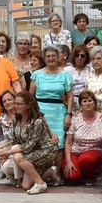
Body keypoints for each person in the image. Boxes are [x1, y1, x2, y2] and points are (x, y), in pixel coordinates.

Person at [30, 45, 72, 174]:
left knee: (58, 144)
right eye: (48, 56)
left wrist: (69, 115)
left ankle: (57, 174)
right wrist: (33, 115)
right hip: (41, 113)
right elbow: (30, 97)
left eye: (54, 55)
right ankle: (43, 173)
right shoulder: (37, 74)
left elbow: (70, 97)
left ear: (58, 56)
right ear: (44, 58)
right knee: (42, 143)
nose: (51, 58)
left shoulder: (65, 75)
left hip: (59, 112)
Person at [10, 91, 56, 195]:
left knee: (17, 157)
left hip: (45, 150)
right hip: (30, 152)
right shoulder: (16, 118)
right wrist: (8, 149)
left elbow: (30, 144)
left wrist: (10, 152)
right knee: (26, 186)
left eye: (19, 104)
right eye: (15, 103)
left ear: (28, 105)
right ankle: (50, 172)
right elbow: (15, 139)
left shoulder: (37, 121)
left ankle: (40, 184)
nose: (16, 106)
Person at [63, 90, 102, 184]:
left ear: (94, 103)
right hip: (75, 152)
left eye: (90, 101)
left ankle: (90, 175)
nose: (87, 103)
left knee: (86, 159)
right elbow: (68, 142)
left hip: (95, 152)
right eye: (84, 101)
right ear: (80, 104)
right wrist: (68, 161)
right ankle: (82, 173)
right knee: (72, 177)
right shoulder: (76, 118)